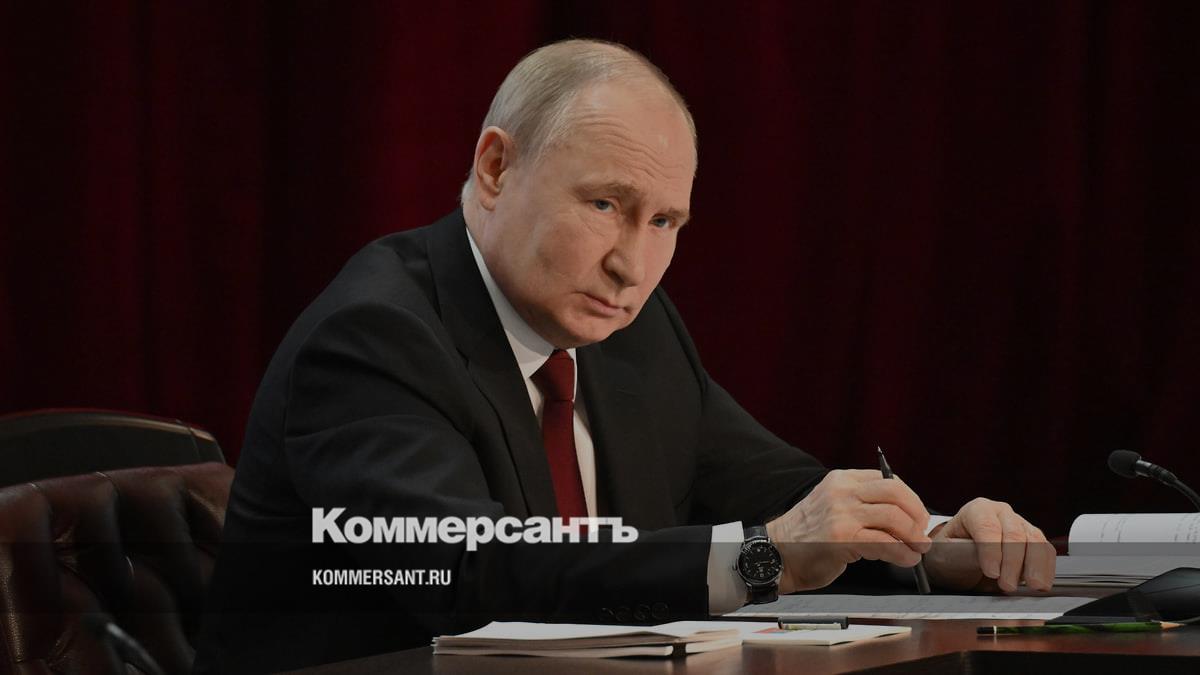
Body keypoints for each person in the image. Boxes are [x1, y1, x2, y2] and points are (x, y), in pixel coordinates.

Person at [194, 39, 1054, 673]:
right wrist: (767, 556)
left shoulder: (628, 329)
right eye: (606, 204)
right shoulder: (373, 338)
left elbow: (777, 493)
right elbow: (472, 574)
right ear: (495, 167)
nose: (633, 265)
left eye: (664, 221)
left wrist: (926, 540)